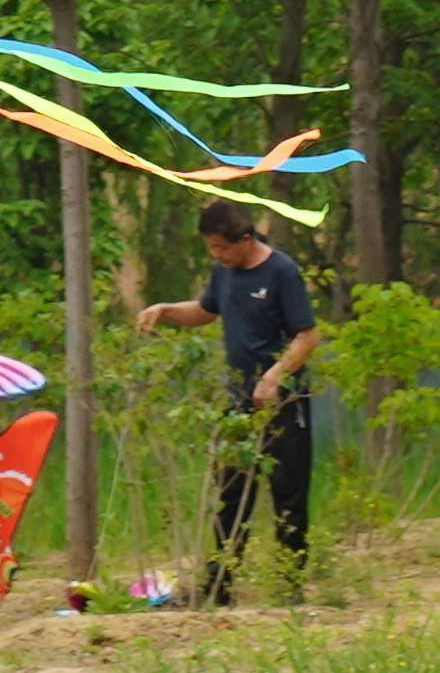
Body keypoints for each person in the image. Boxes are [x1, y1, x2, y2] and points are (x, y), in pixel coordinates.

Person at [138, 201, 321, 605]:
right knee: (230, 493)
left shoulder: (281, 272)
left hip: (284, 404)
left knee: (288, 496)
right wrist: (166, 310)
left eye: (221, 248)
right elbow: (206, 311)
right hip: (237, 400)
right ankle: (218, 588)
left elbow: (307, 336)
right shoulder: (224, 272)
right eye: (211, 249)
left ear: (245, 239)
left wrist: (274, 376)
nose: (216, 256)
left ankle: (289, 589)